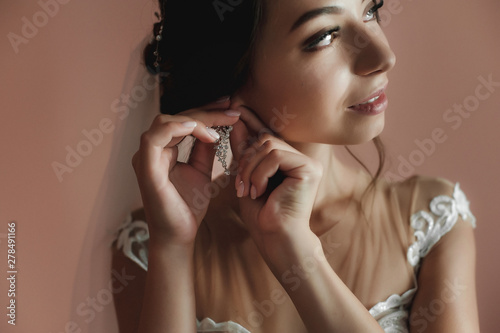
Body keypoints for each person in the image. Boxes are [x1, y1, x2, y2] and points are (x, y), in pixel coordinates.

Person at [112, 0, 480, 332]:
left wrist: (297, 253)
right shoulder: (150, 245)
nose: (383, 56)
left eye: (370, 10)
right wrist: (173, 247)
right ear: (233, 75)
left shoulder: (433, 220)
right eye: (324, 36)